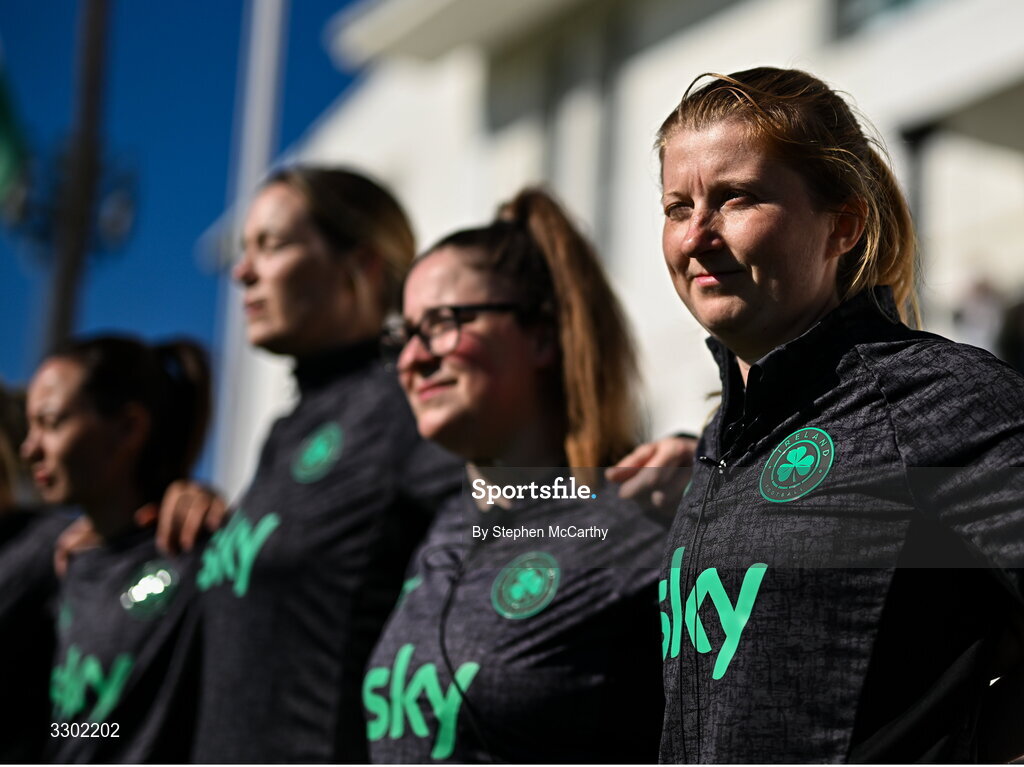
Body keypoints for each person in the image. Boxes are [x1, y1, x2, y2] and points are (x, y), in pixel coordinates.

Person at [654, 66, 1024, 763]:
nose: (697, 234)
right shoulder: (716, 444)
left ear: (843, 225)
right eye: (678, 207)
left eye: (736, 199)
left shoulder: (944, 399)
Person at [366, 188, 666, 762]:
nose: (412, 358)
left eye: (444, 323)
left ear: (541, 335)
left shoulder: (640, 518)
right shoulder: (437, 529)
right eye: (403, 336)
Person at [188, 166, 465, 763]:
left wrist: (624, 485)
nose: (243, 272)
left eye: (274, 245)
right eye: (244, 250)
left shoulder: (404, 405)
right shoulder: (288, 430)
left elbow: (532, 509)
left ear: (360, 267)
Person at [20, 335, 210, 762]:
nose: (29, 448)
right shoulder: (57, 561)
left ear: (128, 428)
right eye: (29, 427)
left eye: (50, 423)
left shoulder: (191, 555)